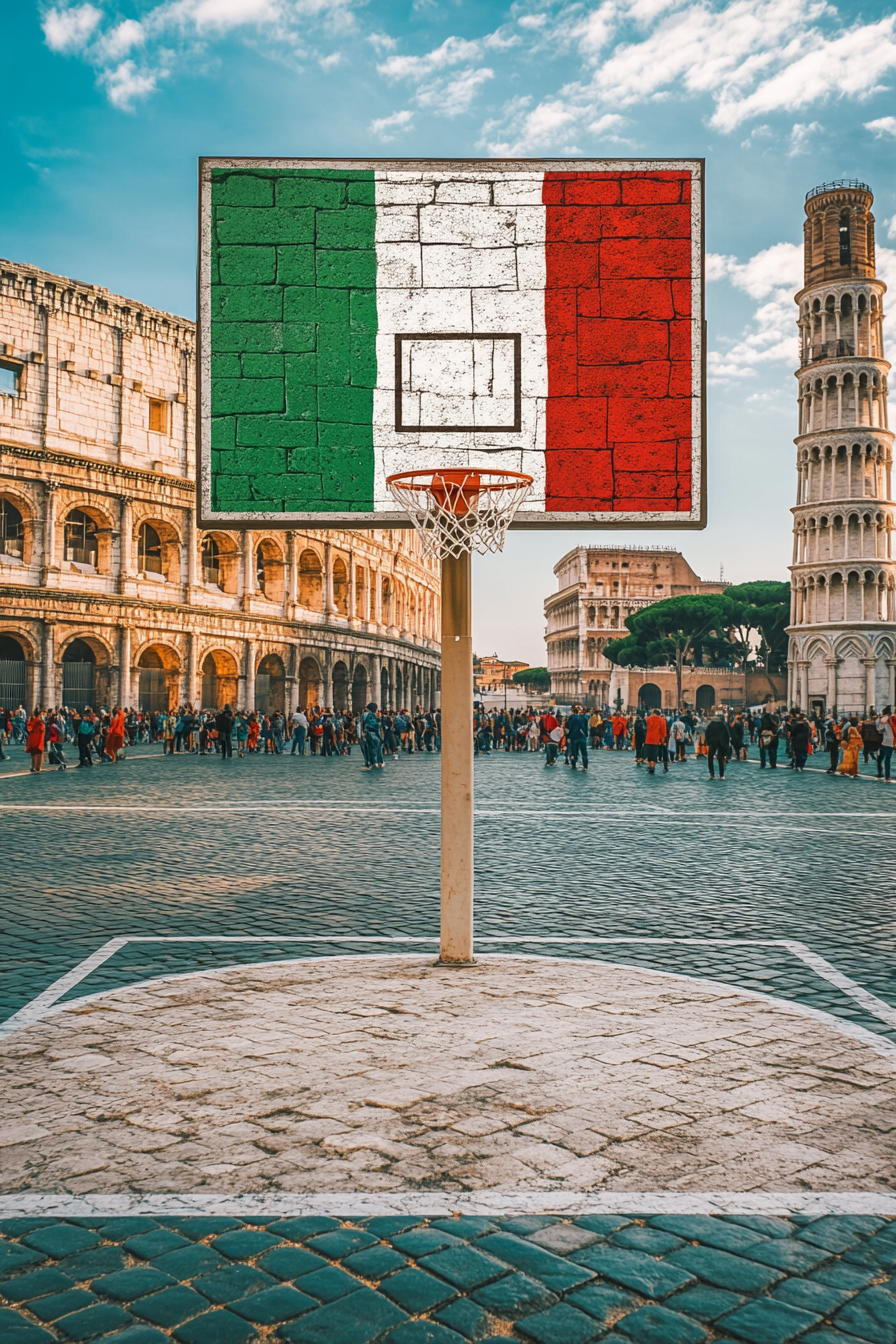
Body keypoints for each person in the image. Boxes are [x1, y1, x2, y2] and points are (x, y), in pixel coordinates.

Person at [705, 712, 730, 780]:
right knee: (720, 758)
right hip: (721, 742)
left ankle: (712, 775)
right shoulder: (723, 725)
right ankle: (721, 775)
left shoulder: (710, 725)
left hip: (713, 742)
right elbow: (727, 735)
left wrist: (708, 741)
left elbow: (706, 733)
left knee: (710, 757)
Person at [361, 702, 384, 769]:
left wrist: (362, 733)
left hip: (368, 734)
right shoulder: (377, 716)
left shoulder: (365, 716)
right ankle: (380, 762)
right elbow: (379, 727)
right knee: (378, 749)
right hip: (377, 734)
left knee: (370, 749)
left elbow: (362, 725)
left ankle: (373, 762)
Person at [644, 709, 667, 776]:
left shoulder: (647, 719)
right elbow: (663, 732)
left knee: (648, 755)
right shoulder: (662, 720)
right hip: (656, 740)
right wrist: (663, 741)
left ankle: (650, 766)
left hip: (647, 739)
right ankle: (652, 767)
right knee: (653, 755)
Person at [566, 704, 589, 770]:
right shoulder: (585, 717)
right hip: (582, 737)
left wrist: (568, 736)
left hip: (574, 737)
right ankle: (585, 766)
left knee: (574, 753)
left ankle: (574, 765)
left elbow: (569, 727)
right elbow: (586, 727)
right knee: (584, 753)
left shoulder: (572, 718)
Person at [875, 706, 895, 782]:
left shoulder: (884, 720)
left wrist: (879, 720)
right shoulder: (893, 719)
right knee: (888, 759)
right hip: (892, 742)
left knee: (880, 758)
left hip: (884, 742)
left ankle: (880, 773)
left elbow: (879, 729)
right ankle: (887, 777)